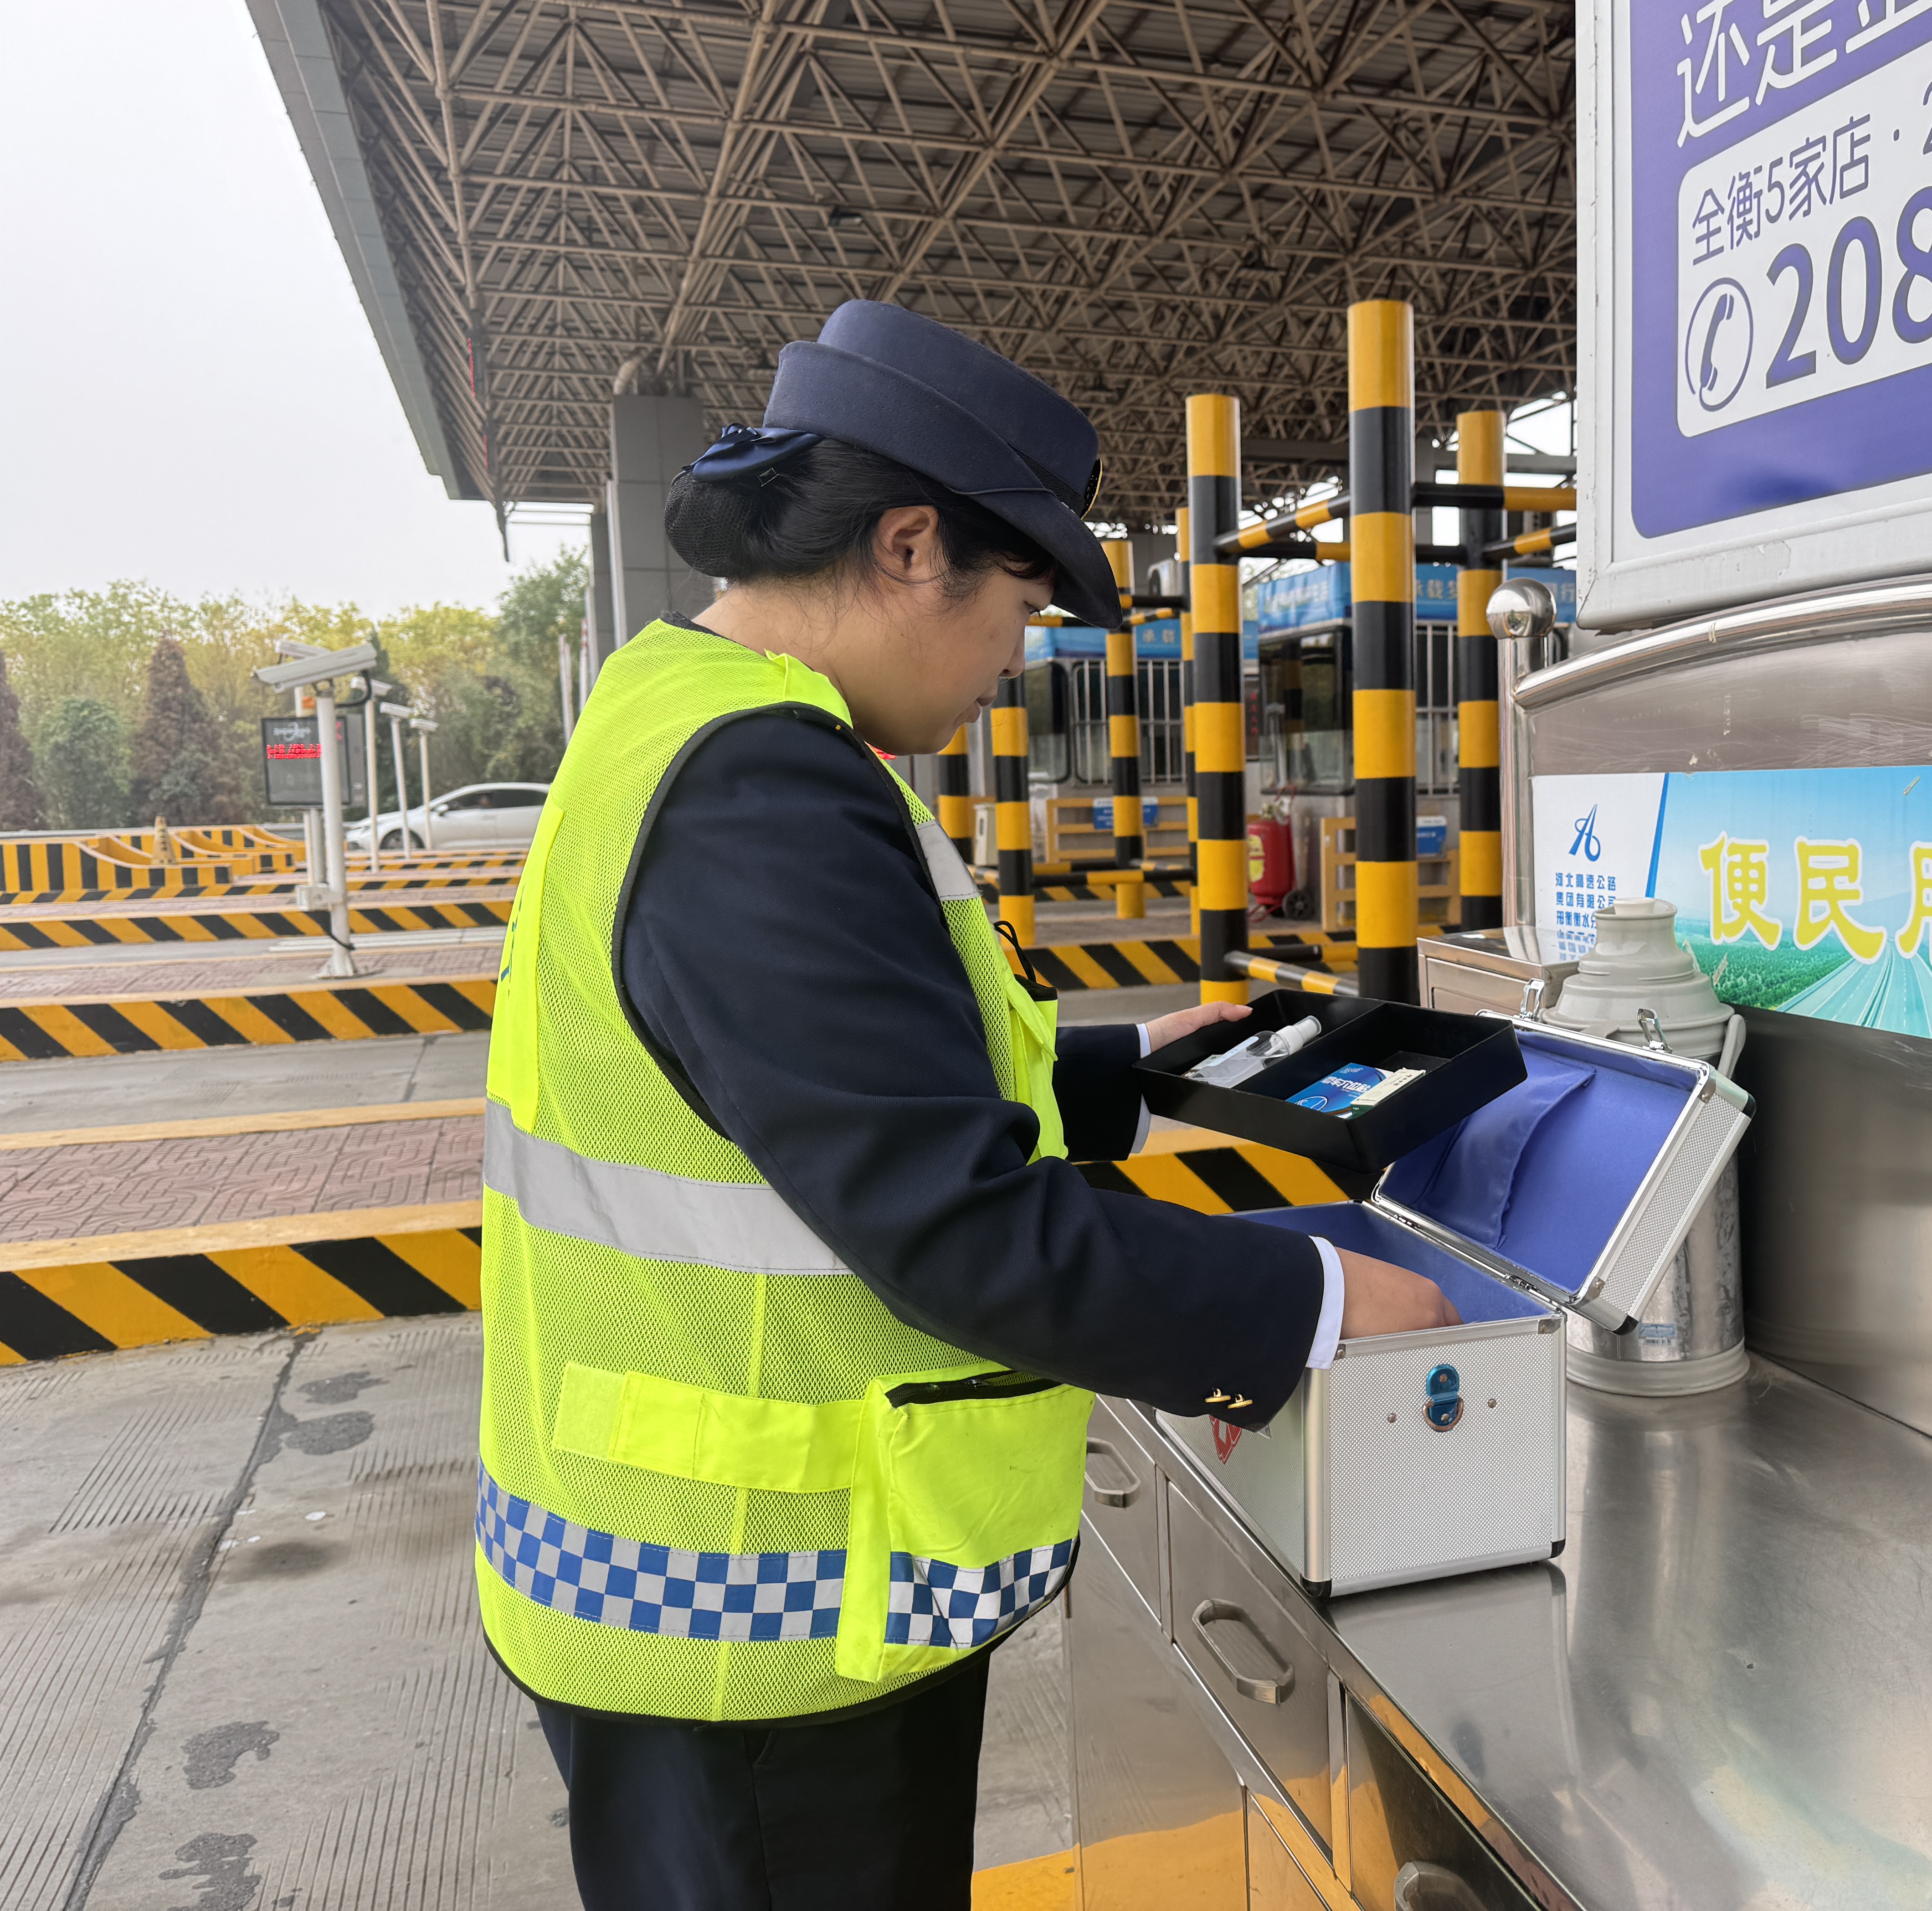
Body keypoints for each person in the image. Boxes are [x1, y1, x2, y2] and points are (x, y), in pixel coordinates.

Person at [475, 300, 1461, 1910]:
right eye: (1019, 604)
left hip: (705, 1596)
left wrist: (1127, 1073)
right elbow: (952, 1222)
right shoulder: (761, 787)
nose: (1018, 660)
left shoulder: (678, 711)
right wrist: (1318, 1305)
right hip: (753, 1639)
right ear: (910, 545)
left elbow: (810, 1099)